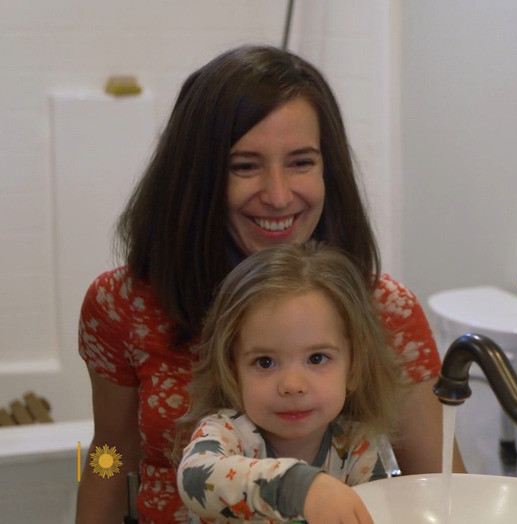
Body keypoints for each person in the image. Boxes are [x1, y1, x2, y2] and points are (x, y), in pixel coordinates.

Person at [76, 44, 463, 523]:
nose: (278, 196)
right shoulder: (122, 305)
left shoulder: (385, 310)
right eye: (245, 166)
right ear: (196, 178)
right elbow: (108, 455)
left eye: (301, 162)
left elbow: (444, 493)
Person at [177, 242, 402, 523]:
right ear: (232, 372)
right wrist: (297, 486)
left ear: (354, 368)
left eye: (317, 358)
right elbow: (195, 477)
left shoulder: (357, 446)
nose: (292, 385)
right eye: (265, 362)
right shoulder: (227, 433)